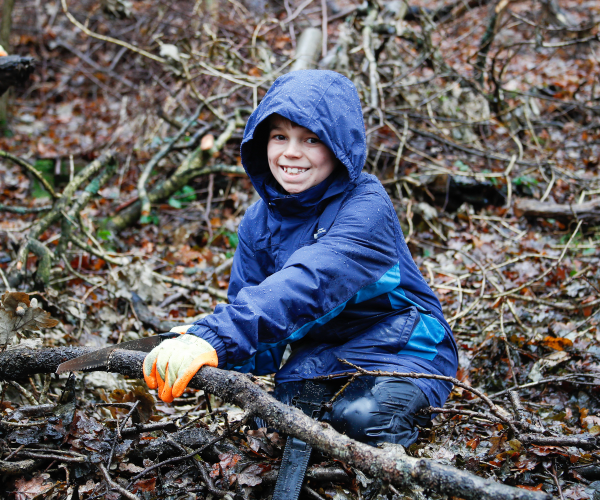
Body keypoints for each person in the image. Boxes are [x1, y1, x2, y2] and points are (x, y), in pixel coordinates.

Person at [143, 70, 458, 446]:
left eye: (311, 139)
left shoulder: (367, 205)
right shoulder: (258, 223)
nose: (291, 152)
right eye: (280, 137)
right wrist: (198, 343)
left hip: (404, 346)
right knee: (276, 428)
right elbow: (262, 341)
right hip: (322, 356)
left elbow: (313, 278)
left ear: (339, 147)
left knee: (362, 420)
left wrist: (219, 335)